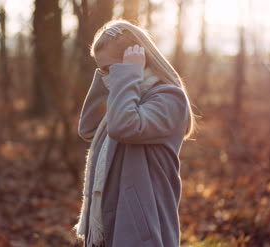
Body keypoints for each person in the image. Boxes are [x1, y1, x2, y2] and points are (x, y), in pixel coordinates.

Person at [72, 19, 197, 247]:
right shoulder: (124, 97)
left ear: (137, 63)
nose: (108, 76)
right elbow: (88, 128)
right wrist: (105, 80)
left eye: (111, 69)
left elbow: (124, 126)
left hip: (143, 226)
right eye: (102, 70)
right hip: (113, 214)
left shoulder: (169, 99)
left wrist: (126, 75)